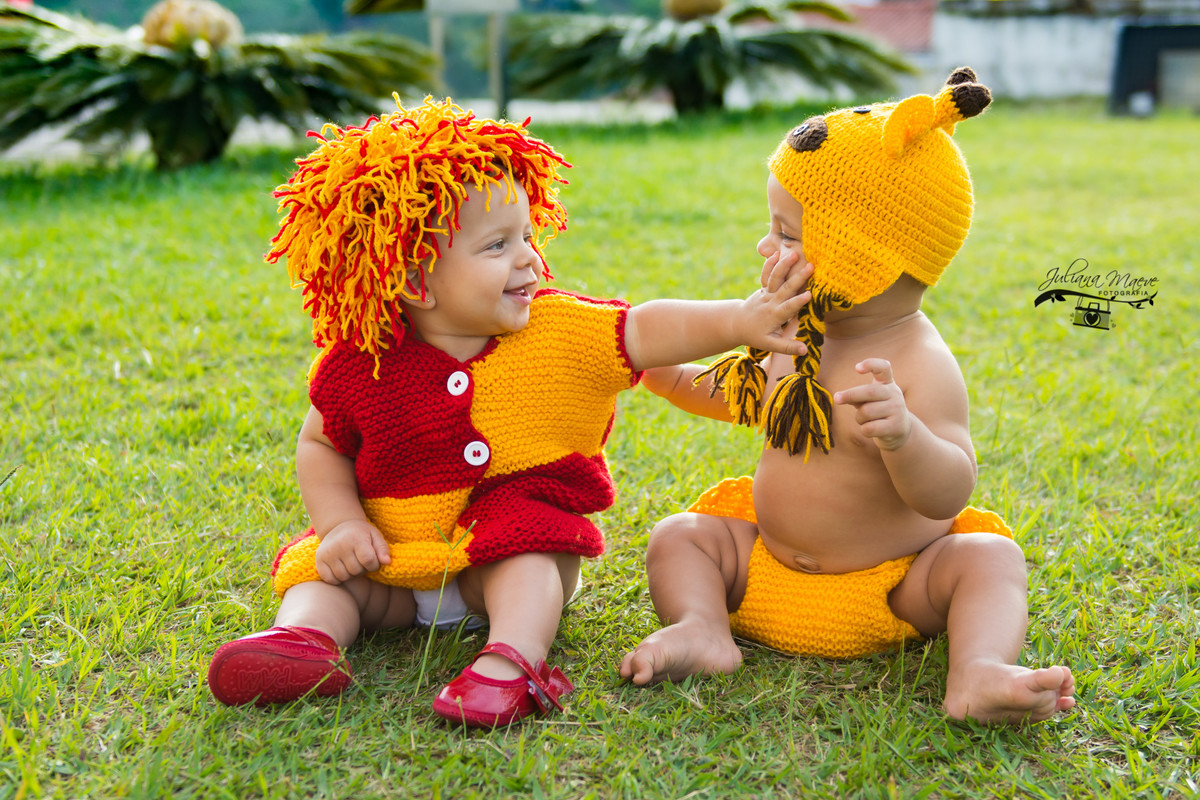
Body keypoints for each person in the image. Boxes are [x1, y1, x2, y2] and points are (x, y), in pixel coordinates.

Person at [205, 97, 814, 727]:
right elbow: (324, 446)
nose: (528, 257)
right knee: (321, 578)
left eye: (526, 235)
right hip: (395, 558)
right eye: (497, 245)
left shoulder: (558, 328)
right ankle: (303, 642)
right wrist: (338, 526)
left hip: (507, 553)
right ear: (415, 282)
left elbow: (648, 327)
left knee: (523, 559)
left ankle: (514, 659)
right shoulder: (359, 362)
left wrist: (740, 320)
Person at [618, 68, 1076, 725]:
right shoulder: (788, 334)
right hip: (765, 572)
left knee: (987, 557)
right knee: (680, 536)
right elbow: (727, 392)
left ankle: (977, 671)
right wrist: (654, 366)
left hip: (893, 588)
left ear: (861, 256)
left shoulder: (921, 364)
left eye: (787, 233)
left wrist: (905, 437)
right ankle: (702, 629)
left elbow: (948, 492)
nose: (764, 246)